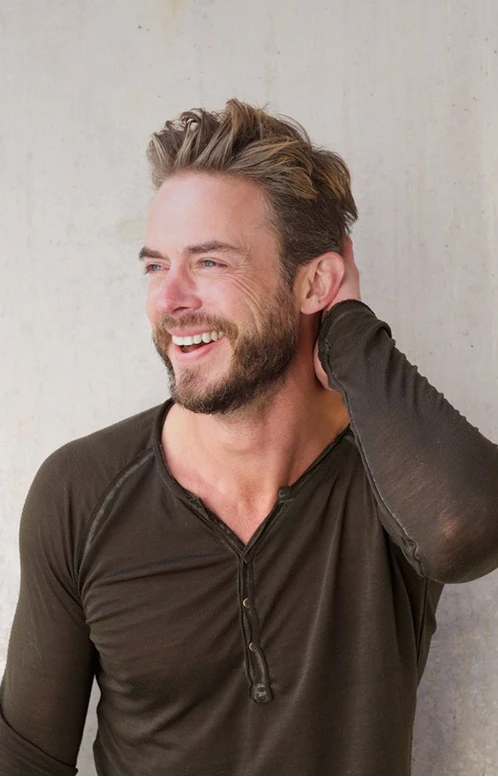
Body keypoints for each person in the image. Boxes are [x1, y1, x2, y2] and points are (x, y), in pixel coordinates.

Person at [1, 98, 498, 777]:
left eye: (209, 263)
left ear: (314, 282)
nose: (169, 299)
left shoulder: (391, 466)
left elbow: (465, 528)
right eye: (154, 265)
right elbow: (24, 759)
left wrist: (347, 330)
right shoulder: (81, 491)